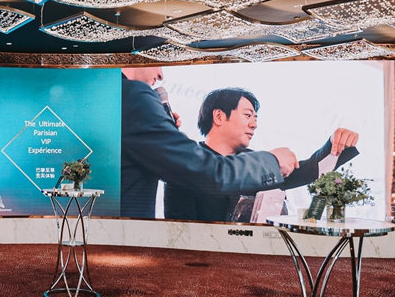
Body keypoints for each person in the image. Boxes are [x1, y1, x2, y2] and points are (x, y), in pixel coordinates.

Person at [120, 67, 299, 219]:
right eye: (247, 115)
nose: (161, 75)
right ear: (219, 116)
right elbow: (204, 171)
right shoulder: (133, 95)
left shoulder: (109, 93)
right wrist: (271, 162)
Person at [164, 87, 359, 221]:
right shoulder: (188, 164)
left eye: (255, 118)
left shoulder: (258, 163)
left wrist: (335, 143)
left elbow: (309, 170)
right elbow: (178, 230)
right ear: (219, 116)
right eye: (247, 115)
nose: (254, 124)